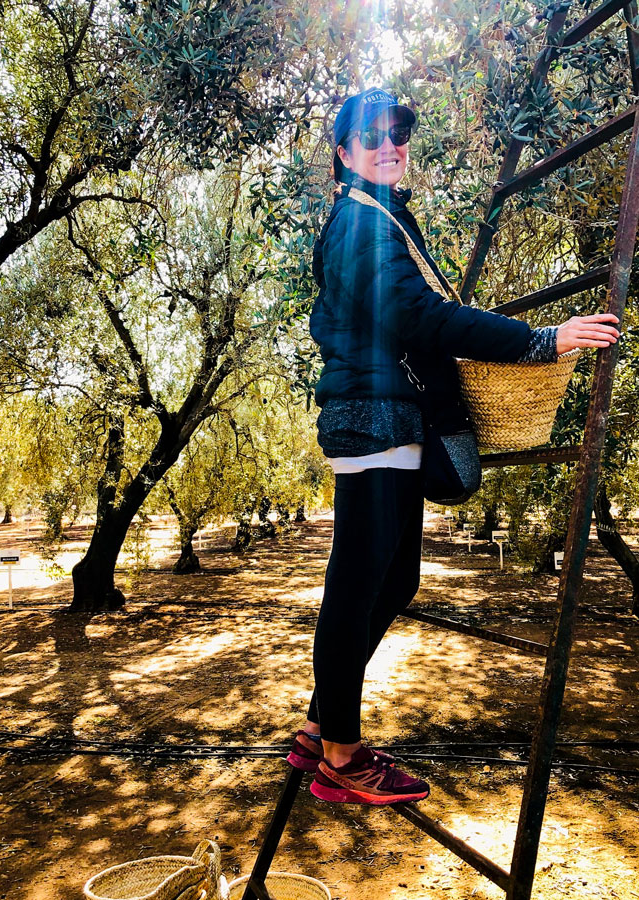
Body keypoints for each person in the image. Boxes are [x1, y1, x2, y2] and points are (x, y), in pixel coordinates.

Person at [286, 88, 620, 806]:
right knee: (357, 585)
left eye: (399, 135)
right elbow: (419, 316)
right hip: (373, 418)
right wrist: (538, 340)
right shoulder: (358, 223)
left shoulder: (378, 216)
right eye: (372, 138)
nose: (389, 147)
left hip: (390, 418)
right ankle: (341, 755)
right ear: (343, 154)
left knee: (393, 581)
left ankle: (320, 726)